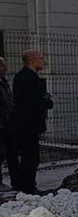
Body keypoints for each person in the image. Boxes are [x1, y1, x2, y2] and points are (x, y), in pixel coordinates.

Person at [10, 50, 53, 194]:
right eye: (41, 58)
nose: (43, 61)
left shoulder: (26, 77)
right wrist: (46, 100)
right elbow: (34, 101)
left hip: (27, 125)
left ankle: (26, 185)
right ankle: (28, 187)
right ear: (32, 60)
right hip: (28, 126)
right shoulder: (28, 79)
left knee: (30, 156)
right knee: (30, 157)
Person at [0, 57, 13, 192]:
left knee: (2, 153)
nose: (5, 69)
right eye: (2, 66)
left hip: (4, 124)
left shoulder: (4, 83)